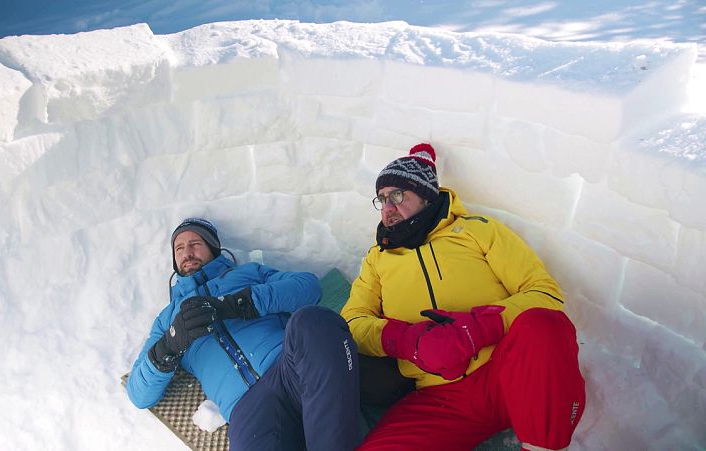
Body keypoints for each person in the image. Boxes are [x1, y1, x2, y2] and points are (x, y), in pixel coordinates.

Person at [341, 143, 586, 451]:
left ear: (426, 195)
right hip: (439, 398)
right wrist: (407, 341)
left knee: (545, 325)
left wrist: (479, 328)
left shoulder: (478, 231)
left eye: (398, 195)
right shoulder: (378, 259)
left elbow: (545, 293)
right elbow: (351, 323)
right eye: (382, 198)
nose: (387, 206)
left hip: (506, 372)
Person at [127, 218, 361, 450]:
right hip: (248, 410)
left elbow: (308, 286)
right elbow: (139, 394)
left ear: (213, 248)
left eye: (195, 243)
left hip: (288, 368)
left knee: (314, 320)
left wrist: (239, 303)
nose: (187, 252)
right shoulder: (167, 319)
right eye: (179, 248)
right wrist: (170, 344)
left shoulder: (247, 274)